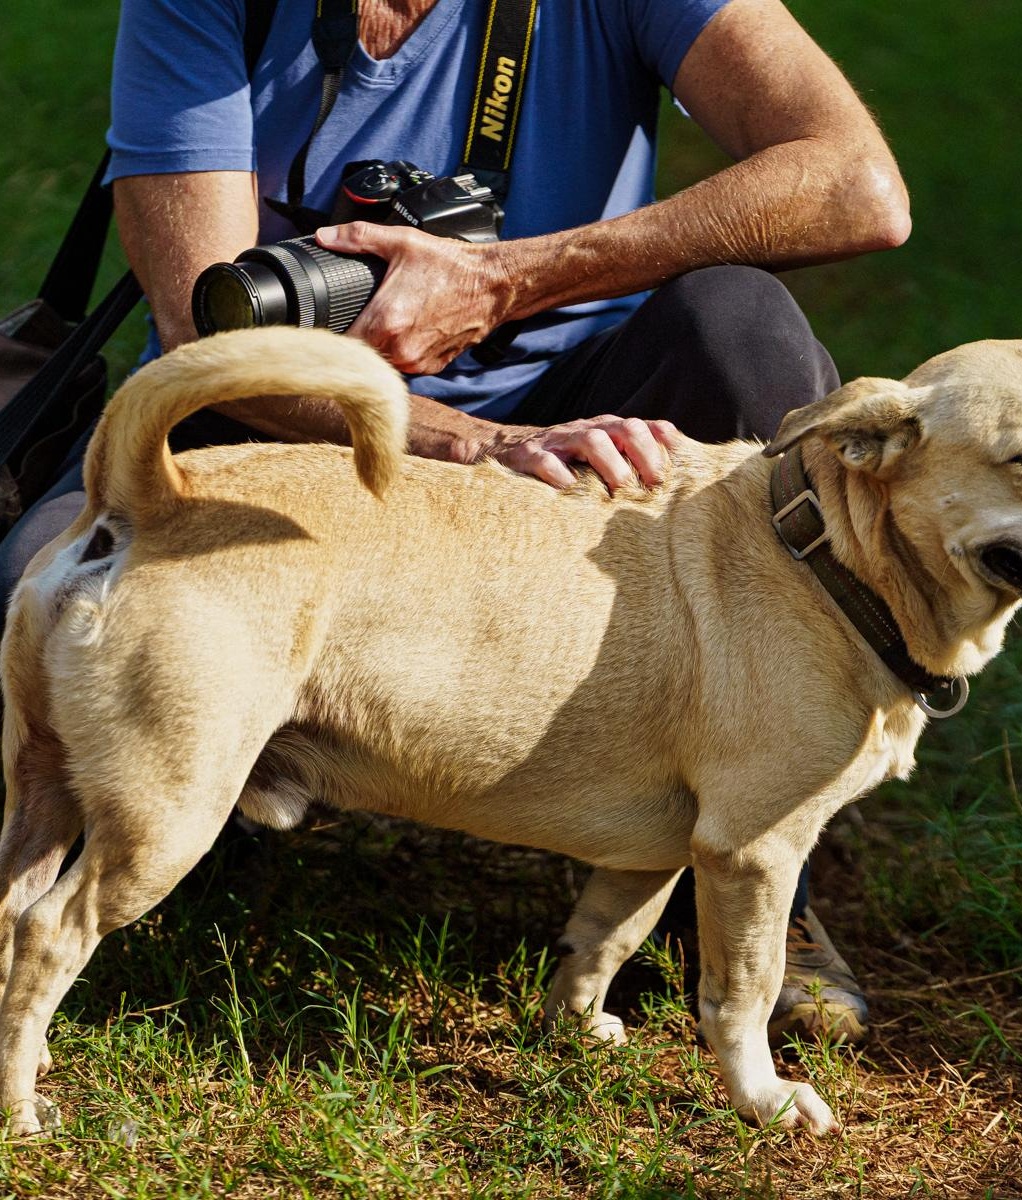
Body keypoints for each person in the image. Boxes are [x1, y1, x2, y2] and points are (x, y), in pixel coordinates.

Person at [0, 0, 910, 1044]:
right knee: (43, 579)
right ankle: (194, 793)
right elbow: (193, 324)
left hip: (595, 416)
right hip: (288, 420)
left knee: (743, 329)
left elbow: (858, 187)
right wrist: (464, 442)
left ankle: (752, 870)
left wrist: (506, 280)